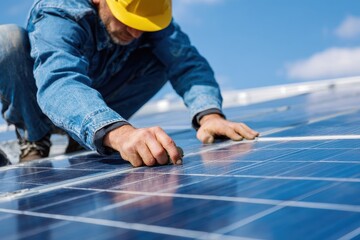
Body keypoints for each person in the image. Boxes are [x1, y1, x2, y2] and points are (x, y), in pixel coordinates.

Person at [0, 0, 259, 167]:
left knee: (164, 56)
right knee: (7, 40)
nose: (136, 32)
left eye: (142, 25)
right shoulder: (61, 12)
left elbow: (187, 63)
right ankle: (36, 139)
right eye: (129, 20)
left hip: (103, 98)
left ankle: (87, 137)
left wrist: (210, 116)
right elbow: (59, 81)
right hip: (39, 103)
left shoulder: (148, 12)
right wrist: (119, 133)